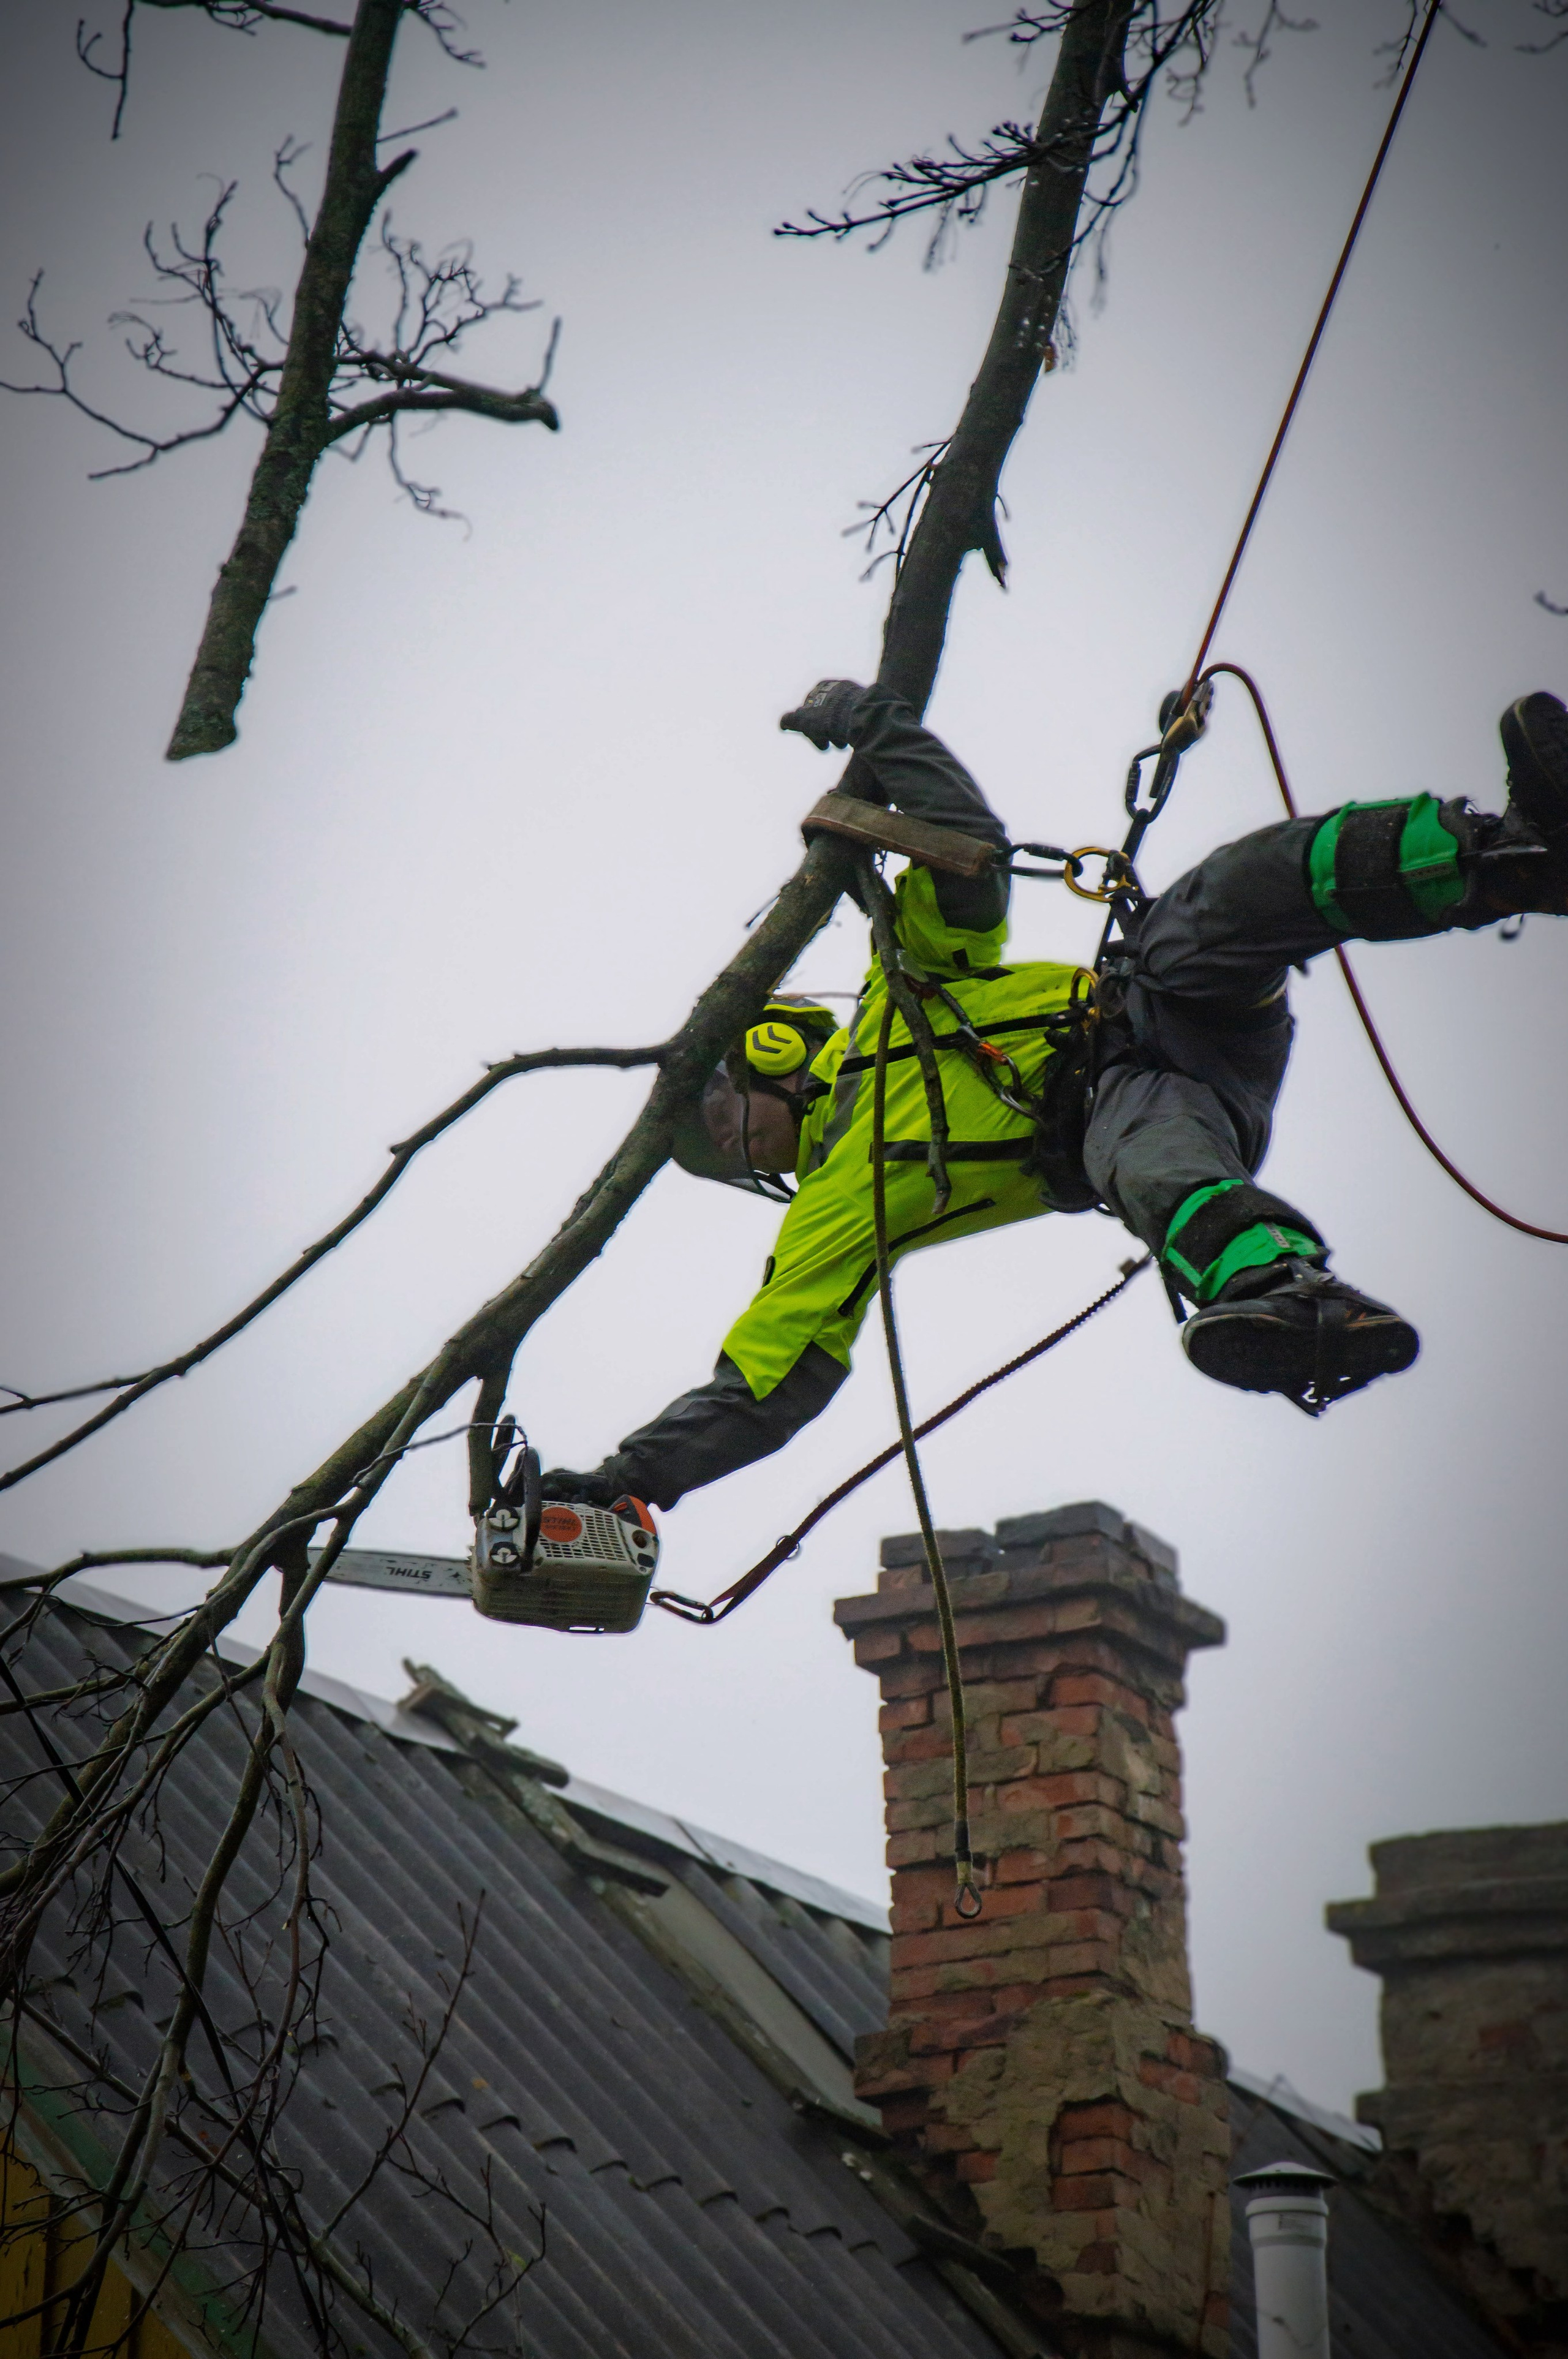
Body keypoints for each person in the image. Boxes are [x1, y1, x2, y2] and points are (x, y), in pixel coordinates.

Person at [541, 679, 1568, 1513]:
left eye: (724, 1124)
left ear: (766, 1050)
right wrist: (632, 1481)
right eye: (725, 1157)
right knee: (1147, 1157)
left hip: (1155, 1002)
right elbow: (762, 1385)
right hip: (1118, 1110)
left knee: (1230, 892)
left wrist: (873, 723)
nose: (743, 1151)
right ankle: (1280, 1296)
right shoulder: (830, 1209)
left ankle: (1511, 855)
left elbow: (964, 843)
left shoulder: (902, 986)